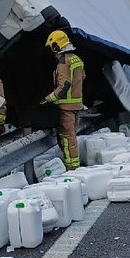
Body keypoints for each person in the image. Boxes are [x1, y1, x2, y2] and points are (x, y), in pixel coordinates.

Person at [40, 30, 85, 170]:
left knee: (67, 139)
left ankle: (72, 168)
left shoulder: (63, 62)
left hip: (66, 107)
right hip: (77, 105)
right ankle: (74, 167)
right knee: (72, 137)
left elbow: (63, 86)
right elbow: (82, 77)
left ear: (56, 46)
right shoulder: (76, 59)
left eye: (51, 47)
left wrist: (48, 99)